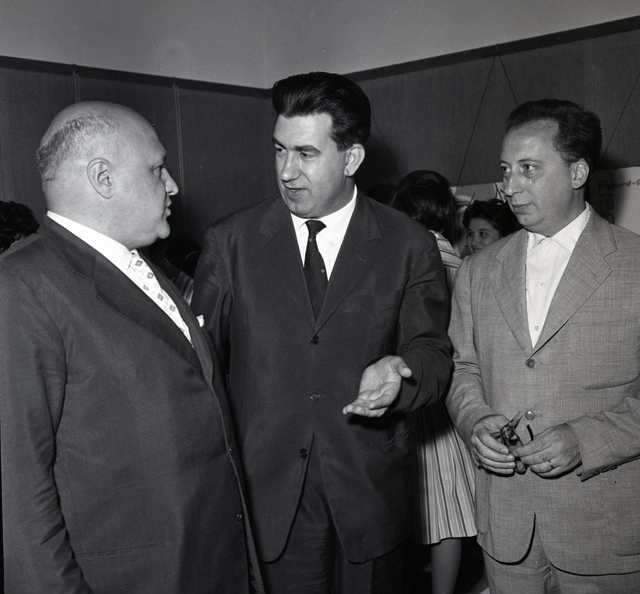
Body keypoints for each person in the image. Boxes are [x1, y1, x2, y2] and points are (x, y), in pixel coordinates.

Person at [192, 72, 452, 594]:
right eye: (279, 150)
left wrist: (401, 372)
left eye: (306, 154)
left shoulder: (408, 244)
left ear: (351, 158)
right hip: (268, 498)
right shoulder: (230, 243)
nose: (287, 171)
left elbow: (434, 353)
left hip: (369, 490)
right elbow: (197, 370)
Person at [0, 101, 263, 594]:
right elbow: (15, 491)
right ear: (103, 178)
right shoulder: (21, 286)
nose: (173, 185)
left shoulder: (139, 266)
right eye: (157, 168)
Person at [446, 98, 640, 593]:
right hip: (506, 530)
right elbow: (462, 369)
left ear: (577, 172)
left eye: (529, 168)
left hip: (604, 533)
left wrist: (585, 440)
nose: (510, 187)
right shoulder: (478, 270)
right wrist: (475, 421)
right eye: (505, 170)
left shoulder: (634, 265)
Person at [393, 170, 480, 594]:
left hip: (422, 395)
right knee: (449, 508)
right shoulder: (461, 264)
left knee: (438, 511)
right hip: (455, 396)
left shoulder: (409, 257)